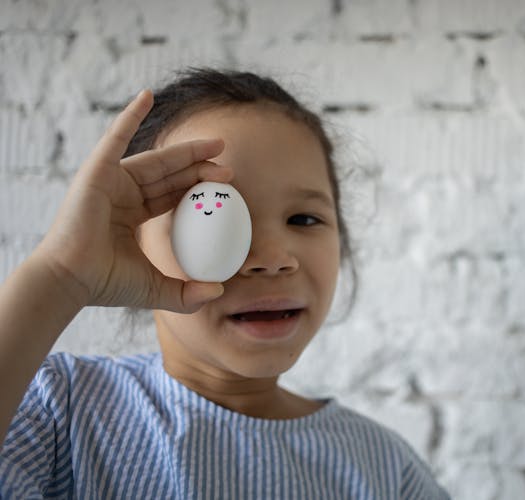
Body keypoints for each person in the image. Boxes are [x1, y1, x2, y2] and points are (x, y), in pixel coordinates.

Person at [0, 68, 450, 499]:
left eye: (305, 218)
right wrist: (59, 276)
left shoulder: (384, 468)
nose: (274, 259)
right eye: (211, 218)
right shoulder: (60, 415)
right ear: (131, 243)